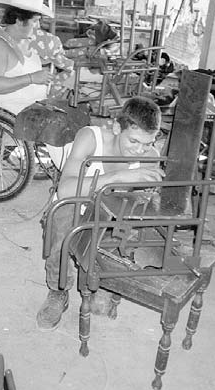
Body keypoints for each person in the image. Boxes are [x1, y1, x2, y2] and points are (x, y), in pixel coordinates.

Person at [36, 96, 165, 331]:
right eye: (134, 141)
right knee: (63, 222)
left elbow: (139, 208)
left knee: (129, 231)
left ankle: (107, 283)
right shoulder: (91, 137)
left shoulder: (150, 157)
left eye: (148, 144)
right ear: (117, 127)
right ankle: (58, 289)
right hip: (73, 204)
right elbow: (65, 190)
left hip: (110, 213)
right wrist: (116, 178)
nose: (140, 150)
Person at [0, 0, 55, 114]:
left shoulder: (25, 40)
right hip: (13, 116)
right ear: (19, 20)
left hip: (34, 112)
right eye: (35, 21)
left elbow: (19, 68)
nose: (38, 26)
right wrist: (31, 78)